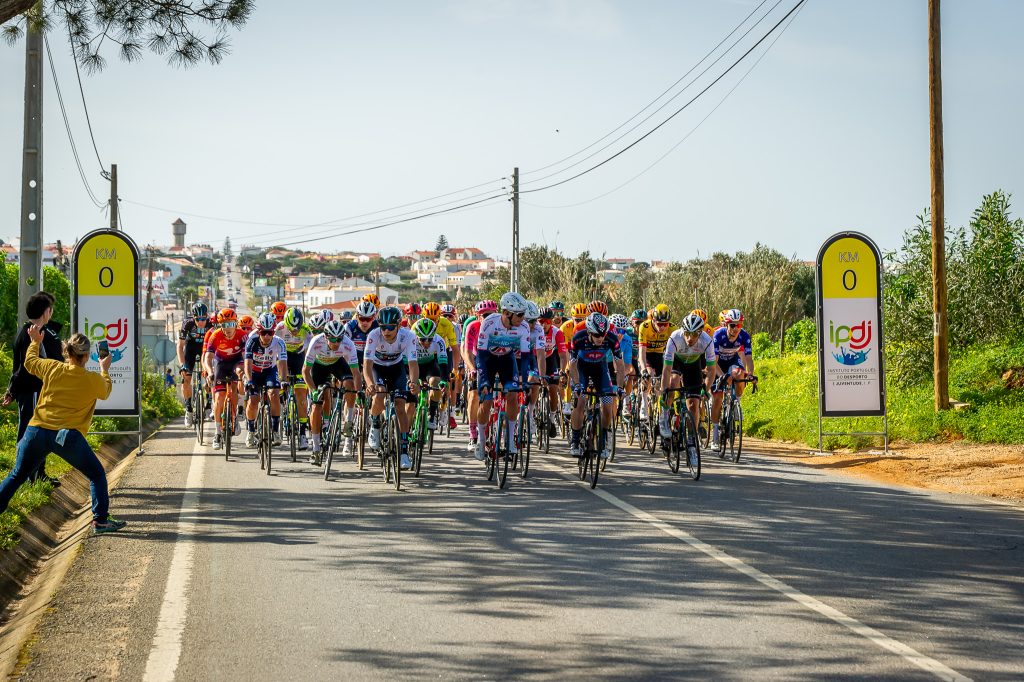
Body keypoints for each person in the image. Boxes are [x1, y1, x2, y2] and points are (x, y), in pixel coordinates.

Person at [0, 327, 126, 533]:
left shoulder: (52, 367)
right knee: (96, 475)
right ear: (86, 356)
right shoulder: (92, 379)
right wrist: (104, 368)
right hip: (66, 436)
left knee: (16, 475)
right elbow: (105, 391)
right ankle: (101, 521)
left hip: (36, 431)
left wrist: (35, 341)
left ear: (67, 352)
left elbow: (29, 362)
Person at [3, 291, 65, 486]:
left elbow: (17, 367)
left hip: (36, 391)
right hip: (33, 391)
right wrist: (12, 391)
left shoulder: (29, 331)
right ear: (46, 312)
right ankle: (24, 476)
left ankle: (37, 474)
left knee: (40, 433)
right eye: (50, 309)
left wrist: (11, 391)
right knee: (29, 432)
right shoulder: (34, 334)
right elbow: (23, 367)